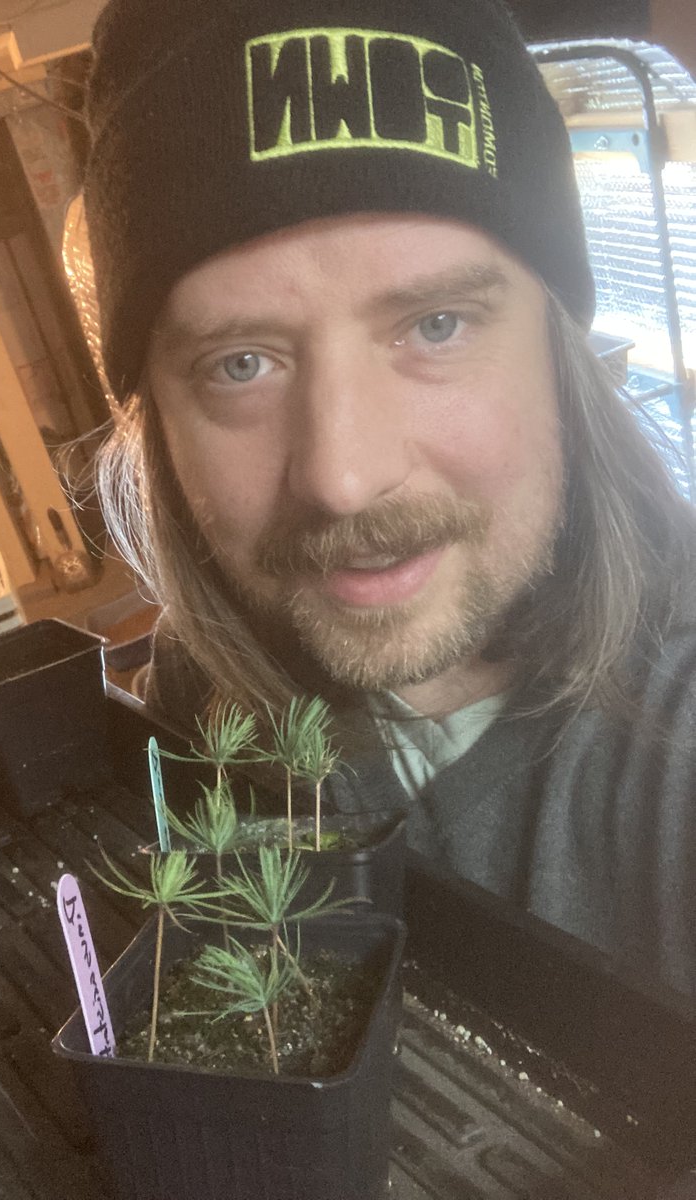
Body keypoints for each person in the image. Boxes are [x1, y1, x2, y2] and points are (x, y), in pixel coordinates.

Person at [81, 0, 696, 995]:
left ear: (559, 346)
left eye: (437, 325)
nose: (340, 476)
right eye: (240, 363)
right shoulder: (195, 685)